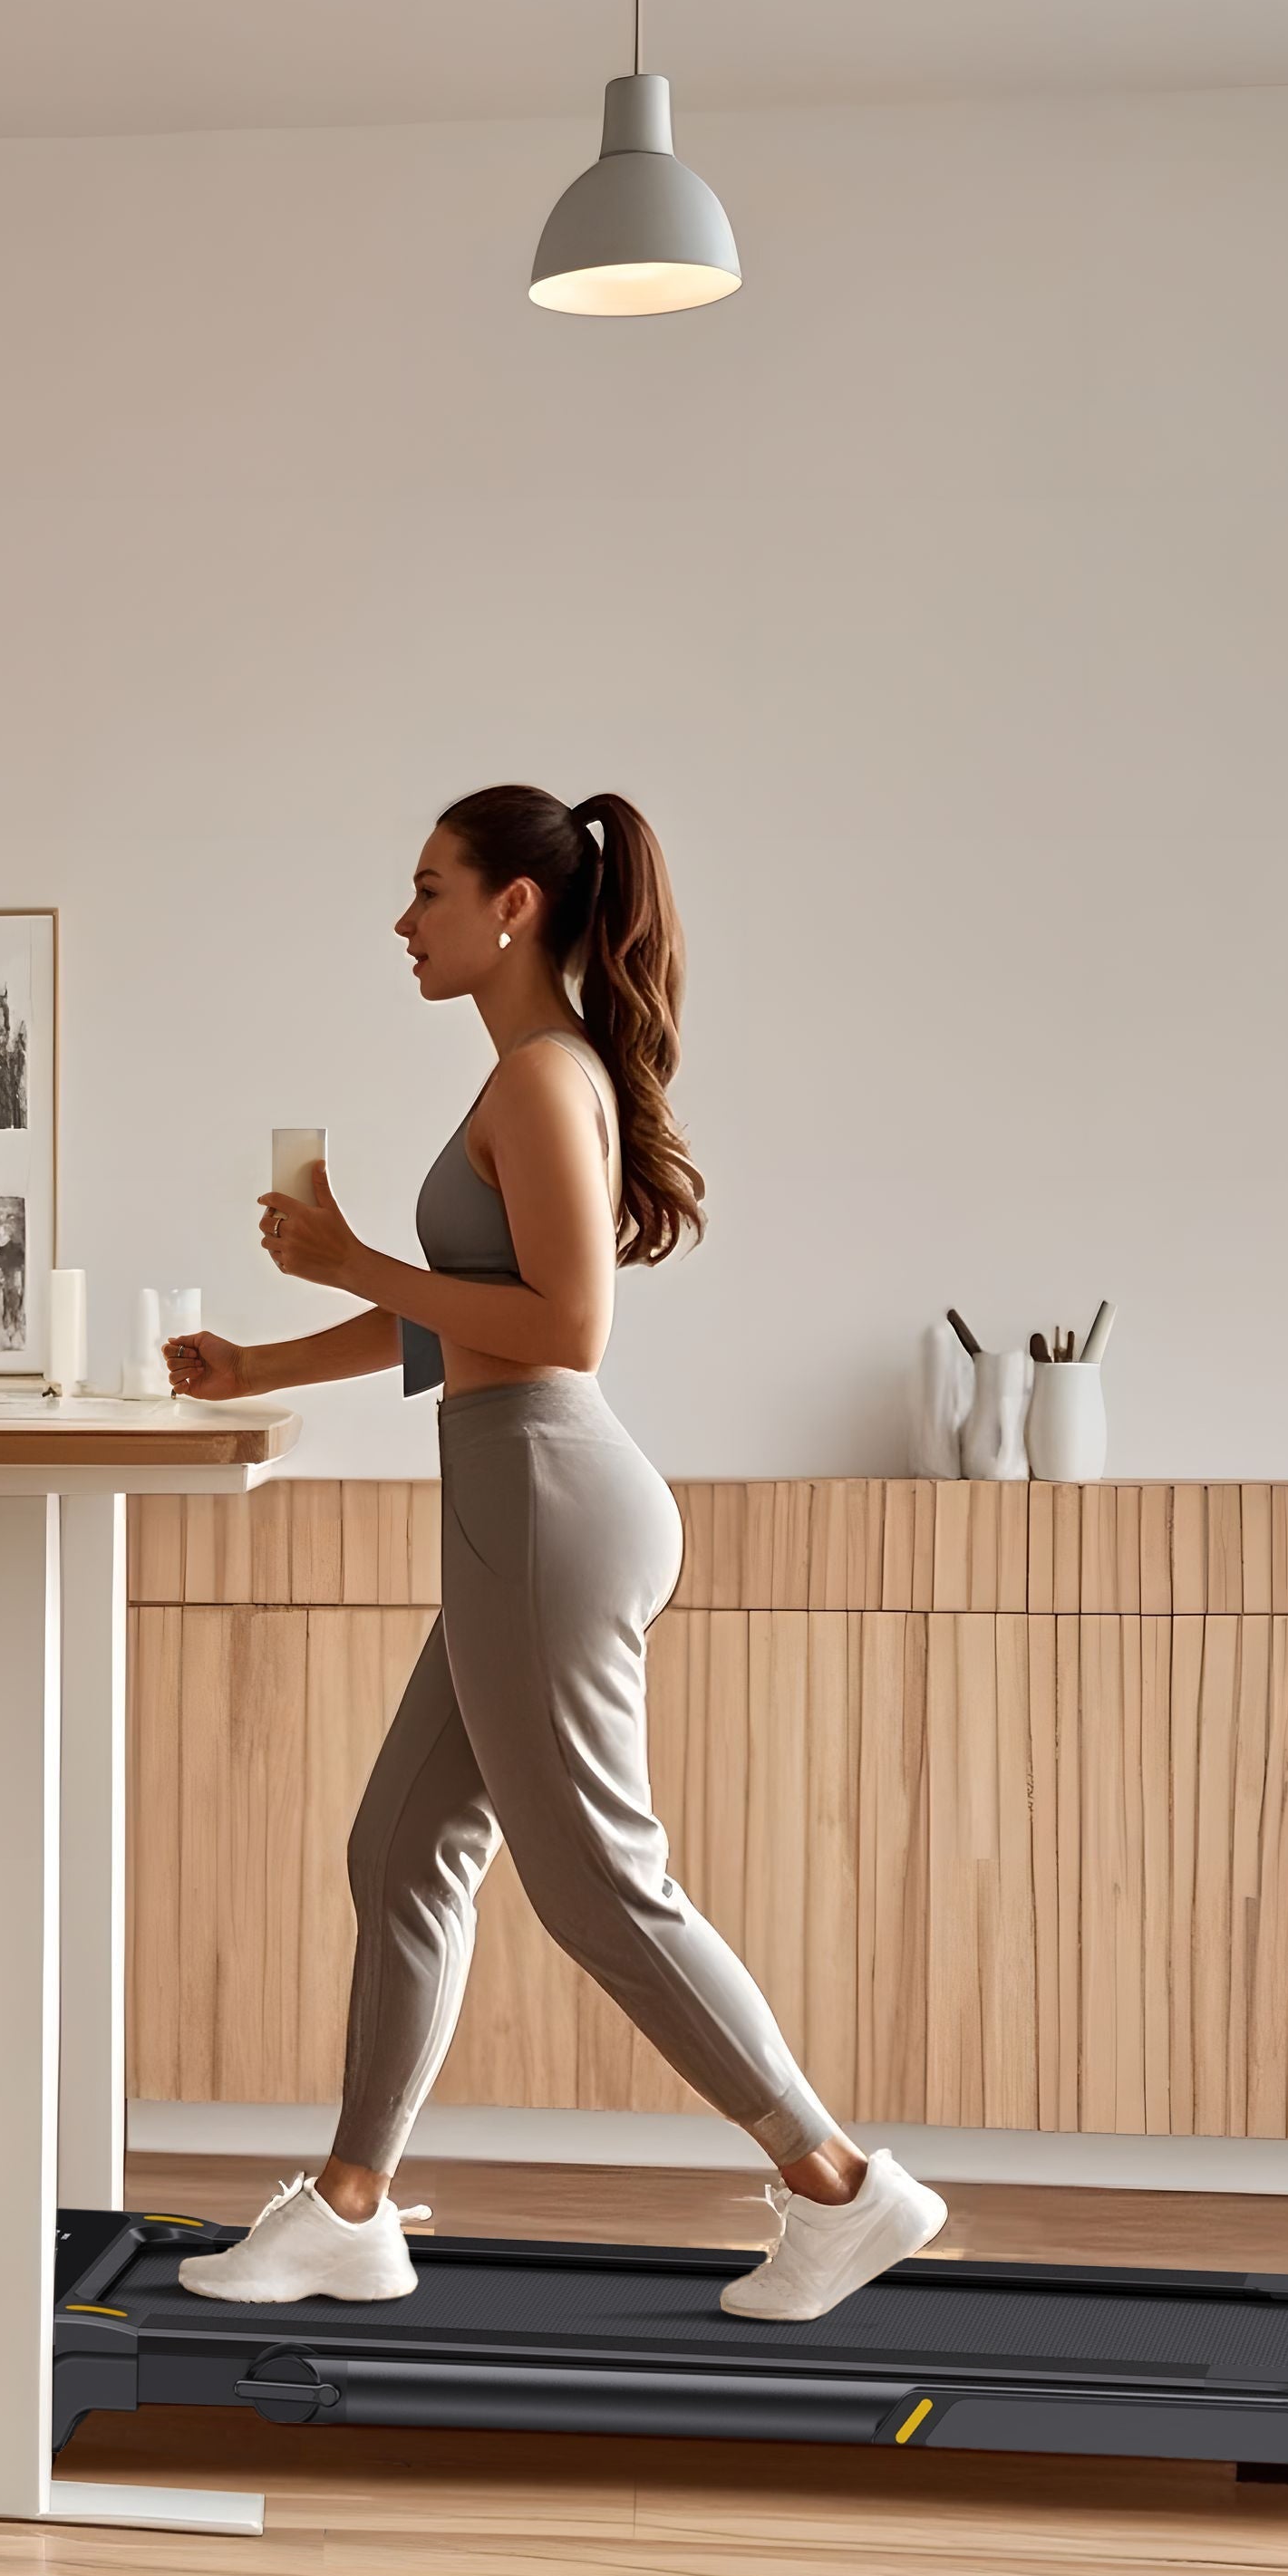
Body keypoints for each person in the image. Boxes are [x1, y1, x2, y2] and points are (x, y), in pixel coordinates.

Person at [161, 785, 945, 2325]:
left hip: (542, 1501)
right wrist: (261, 1361)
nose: (406, 920)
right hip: (514, 1496)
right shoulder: (527, 1077)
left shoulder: (537, 1077)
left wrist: (350, 1254)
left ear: (513, 905)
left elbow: (563, 1327)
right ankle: (349, 2208)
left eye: (430, 889)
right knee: (401, 1847)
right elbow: (464, 1306)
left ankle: (837, 2185)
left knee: (594, 1884)